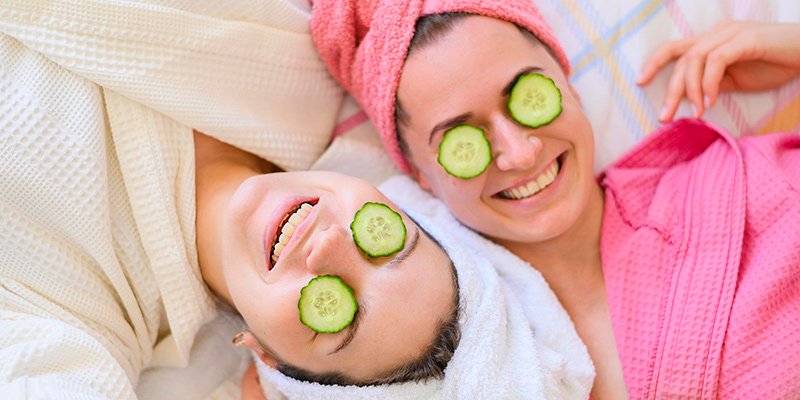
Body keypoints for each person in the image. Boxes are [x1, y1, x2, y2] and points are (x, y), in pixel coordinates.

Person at [310, 1, 800, 398]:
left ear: (569, 87)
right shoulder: (442, 350)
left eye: (527, 96)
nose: (520, 153)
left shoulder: (753, 184)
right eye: (461, 140)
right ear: (420, 174)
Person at [193, 131, 461, 386]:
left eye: (333, 311)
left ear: (267, 357)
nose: (328, 244)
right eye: (387, 244)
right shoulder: (309, 100)